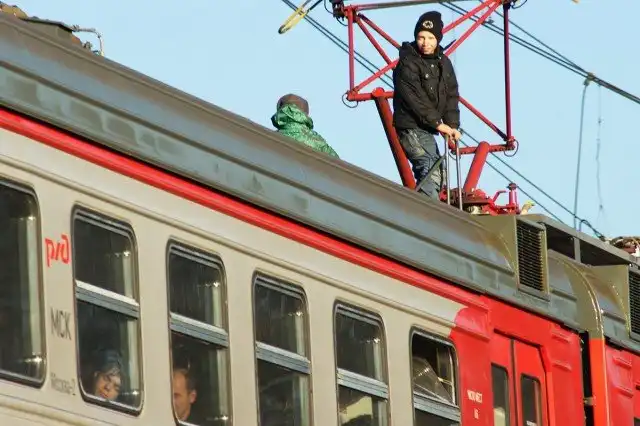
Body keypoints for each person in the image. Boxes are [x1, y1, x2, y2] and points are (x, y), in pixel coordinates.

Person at [392, 11, 461, 200]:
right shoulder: (407, 63)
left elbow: (451, 96)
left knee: (439, 173)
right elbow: (416, 99)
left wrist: (452, 126)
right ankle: (424, 210)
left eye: (431, 38)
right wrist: (438, 124)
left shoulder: (443, 63)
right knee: (430, 168)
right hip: (411, 126)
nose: (425, 42)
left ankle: (428, 206)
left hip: (427, 126)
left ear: (438, 39)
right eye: (421, 37)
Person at [271, 94, 339, 158]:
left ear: (280, 112)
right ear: (305, 114)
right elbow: (337, 163)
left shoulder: (271, 139)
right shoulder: (320, 143)